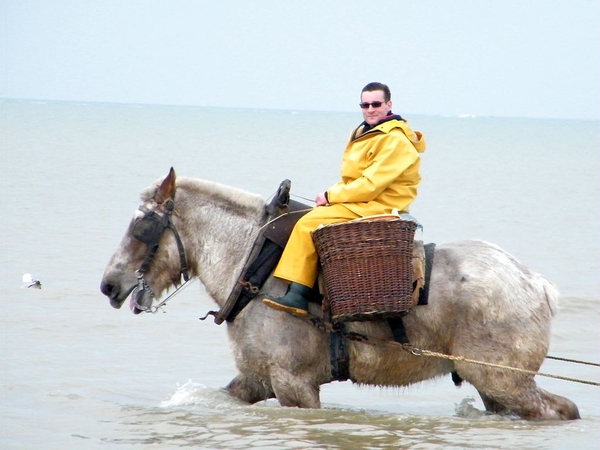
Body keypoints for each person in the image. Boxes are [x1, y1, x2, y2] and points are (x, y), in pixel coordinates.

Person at [262, 82, 426, 316]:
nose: (370, 109)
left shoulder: (395, 140)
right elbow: (354, 179)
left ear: (389, 105)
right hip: (363, 200)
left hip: (381, 204)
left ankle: (298, 294)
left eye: (376, 104)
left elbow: (370, 185)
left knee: (309, 223)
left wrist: (330, 196)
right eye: (365, 104)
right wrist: (330, 195)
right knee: (311, 213)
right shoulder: (367, 132)